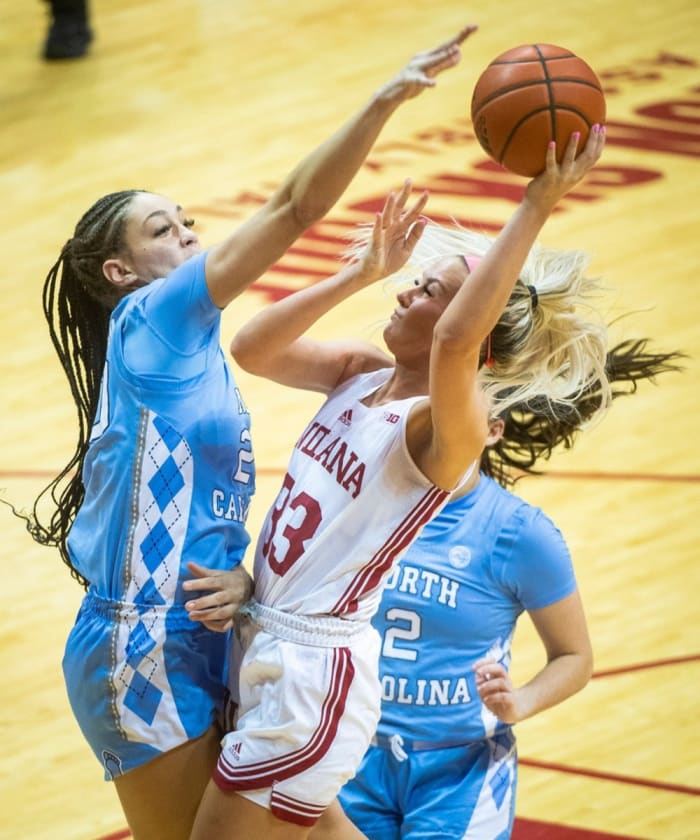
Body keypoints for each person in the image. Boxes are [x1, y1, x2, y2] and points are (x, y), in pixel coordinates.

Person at [10, 27, 477, 840]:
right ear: (122, 274)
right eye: (164, 229)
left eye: (187, 219)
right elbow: (293, 207)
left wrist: (244, 580)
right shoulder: (152, 319)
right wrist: (385, 98)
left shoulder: (190, 344)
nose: (190, 233)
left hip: (218, 629)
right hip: (145, 643)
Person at [185, 127, 607, 840]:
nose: (409, 292)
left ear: (473, 340)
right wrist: (360, 274)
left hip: (313, 676)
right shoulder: (360, 373)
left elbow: (454, 343)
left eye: (429, 292)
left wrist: (536, 203)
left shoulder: (439, 435)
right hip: (269, 642)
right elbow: (254, 347)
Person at [331, 345, 681, 839]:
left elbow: (574, 656)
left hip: (460, 768)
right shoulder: (362, 500)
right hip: (354, 750)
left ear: (492, 431)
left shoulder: (519, 534)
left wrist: (521, 703)